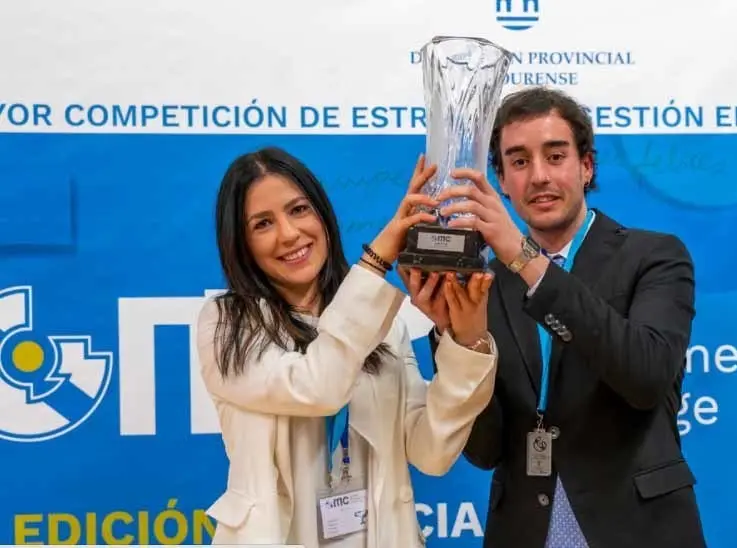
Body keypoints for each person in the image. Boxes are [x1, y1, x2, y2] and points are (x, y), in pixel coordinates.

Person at [408, 87, 707, 547]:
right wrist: (457, 336)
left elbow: (645, 376)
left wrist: (523, 258)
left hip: (638, 529)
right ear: (501, 181)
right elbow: (485, 450)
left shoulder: (654, 256)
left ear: (586, 167)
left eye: (555, 155)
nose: (539, 176)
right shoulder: (485, 284)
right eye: (520, 161)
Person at [195, 146, 498, 547]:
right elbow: (319, 387)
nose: (289, 234)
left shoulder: (380, 327)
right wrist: (378, 257)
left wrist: (465, 340)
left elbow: (431, 451)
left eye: (299, 210)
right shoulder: (227, 325)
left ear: (322, 214)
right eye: (263, 223)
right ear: (242, 242)